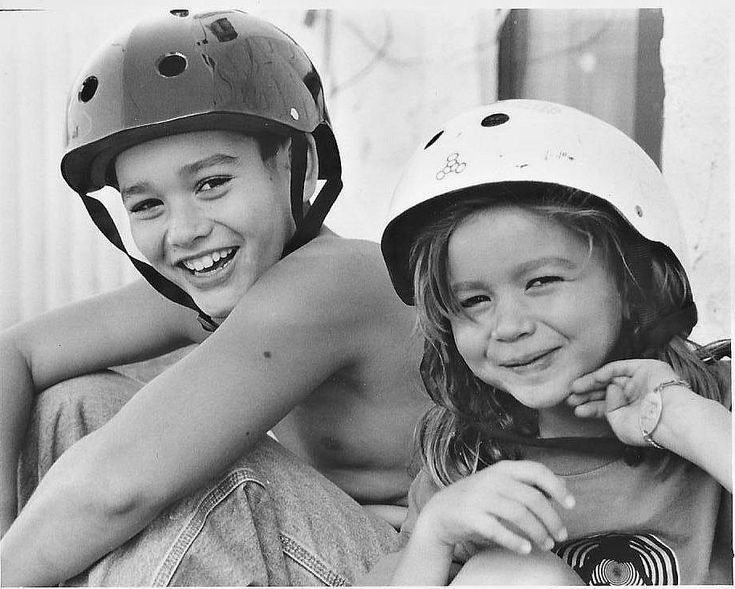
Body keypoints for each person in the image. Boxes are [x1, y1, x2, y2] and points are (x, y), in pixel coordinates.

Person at [0, 9, 430, 586]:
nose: (184, 231)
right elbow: (16, 354)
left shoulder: (333, 282)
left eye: (211, 184)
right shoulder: (216, 286)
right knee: (74, 402)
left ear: (293, 169)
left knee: (195, 476)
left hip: (409, 565)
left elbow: (119, 487)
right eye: (147, 204)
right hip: (325, 550)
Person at [362, 99, 732, 585]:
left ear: (632, 283)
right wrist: (436, 534)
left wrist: (683, 419)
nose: (508, 326)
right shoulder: (465, 463)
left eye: (541, 282)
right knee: (510, 574)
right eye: (474, 300)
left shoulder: (717, 404)